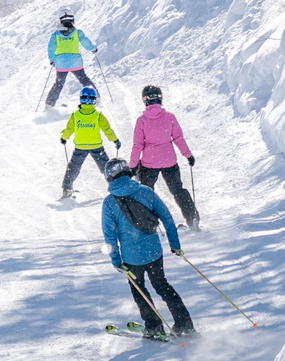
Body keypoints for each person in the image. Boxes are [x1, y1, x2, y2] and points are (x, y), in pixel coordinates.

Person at [101, 159, 196, 340]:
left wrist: (116, 260)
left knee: (139, 290)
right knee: (162, 285)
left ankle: (154, 327)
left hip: (131, 258)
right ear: (128, 172)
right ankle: (185, 323)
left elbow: (109, 235)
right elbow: (167, 219)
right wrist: (175, 245)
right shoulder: (146, 191)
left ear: (110, 177)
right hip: (154, 252)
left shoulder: (110, 203)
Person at [128, 84, 200, 230]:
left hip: (149, 163)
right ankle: (192, 219)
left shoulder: (142, 121)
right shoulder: (169, 117)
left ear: (145, 100)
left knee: (146, 192)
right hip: (169, 161)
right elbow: (179, 138)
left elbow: (138, 145)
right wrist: (188, 155)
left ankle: (148, 224)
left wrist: (133, 165)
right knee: (178, 190)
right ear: (160, 98)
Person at [59, 86, 120, 199]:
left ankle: (67, 188)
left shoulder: (76, 115)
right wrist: (115, 140)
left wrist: (64, 137)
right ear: (94, 100)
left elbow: (69, 128)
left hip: (80, 147)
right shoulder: (98, 115)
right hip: (96, 146)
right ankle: (116, 186)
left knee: (73, 167)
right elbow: (107, 129)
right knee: (106, 167)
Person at [45, 8, 98, 108]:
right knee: (84, 80)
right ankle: (96, 99)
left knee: (58, 84)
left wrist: (52, 60)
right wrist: (93, 49)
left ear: (61, 20)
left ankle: (49, 106)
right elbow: (86, 42)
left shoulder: (56, 35)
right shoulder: (77, 33)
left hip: (61, 64)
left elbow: (51, 48)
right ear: (72, 19)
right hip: (75, 63)